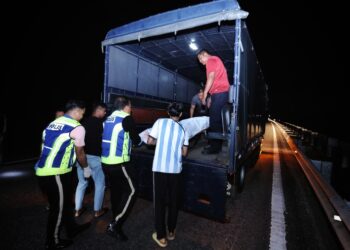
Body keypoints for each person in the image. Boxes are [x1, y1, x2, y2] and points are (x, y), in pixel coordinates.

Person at [34, 100, 91, 250]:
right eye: (82, 114)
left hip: (46, 170)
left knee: (65, 203)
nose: (82, 117)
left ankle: (71, 228)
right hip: (56, 173)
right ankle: (52, 242)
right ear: (77, 111)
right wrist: (86, 168)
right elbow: (80, 153)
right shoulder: (77, 127)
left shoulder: (52, 123)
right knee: (57, 208)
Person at [147, 102, 189, 248]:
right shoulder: (184, 130)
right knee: (173, 202)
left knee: (159, 202)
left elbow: (150, 141)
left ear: (167, 112)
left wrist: (160, 141)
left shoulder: (160, 122)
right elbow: (184, 152)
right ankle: (171, 232)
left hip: (159, 168)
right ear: (181, 114)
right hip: (175, 170)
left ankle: (161, 237)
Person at [101, 96, 142, 242]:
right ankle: (115, 225)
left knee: (116, 190)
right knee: (133, 190)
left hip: (105, 162)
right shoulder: (126, 118)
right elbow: (136, 139)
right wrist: (140, 140)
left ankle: (116, 215)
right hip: (120, 162)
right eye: (130, 106)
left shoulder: (108, 119)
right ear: (125, 106)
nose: (131, 109)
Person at [74, 101, 109, 218]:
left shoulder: (83, 122)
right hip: (95, 158)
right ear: (99, 110)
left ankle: (77, 209)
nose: (104, 114)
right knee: (99, 184)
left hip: (81, 158)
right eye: (104, 111)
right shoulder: (100, 123)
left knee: (82, 183)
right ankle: (97, 211)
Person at [197, 49, 230, 154]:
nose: (201, 62)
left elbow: (211, 77)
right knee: (215, 119)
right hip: (219, 93)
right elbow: (215, 81)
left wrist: (205, 94)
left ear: (205, 54)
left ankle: (215, 148)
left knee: (214, 120)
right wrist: (211, 97)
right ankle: (214, 144)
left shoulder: (211, 60)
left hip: (220, 93)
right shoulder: (216, 60)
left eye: (200, 59)